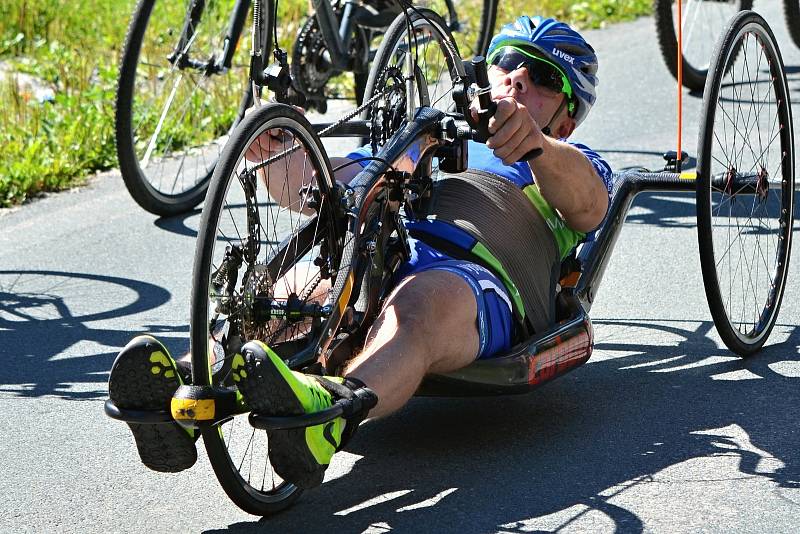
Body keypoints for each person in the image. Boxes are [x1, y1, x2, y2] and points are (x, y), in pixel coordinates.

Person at [108, 16, 614, 488]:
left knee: (418, 305)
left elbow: (589, 207)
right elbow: (321, 187)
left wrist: (538, 148)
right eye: (505, 61)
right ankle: (184, 392)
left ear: (567, 119)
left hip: (472, 280)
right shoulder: (424, 140)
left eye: (543, 75)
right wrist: (281, 151)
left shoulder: (568, 161)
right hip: (375, 257)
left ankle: (328, 416)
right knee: (289, 295)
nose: (517, 77)